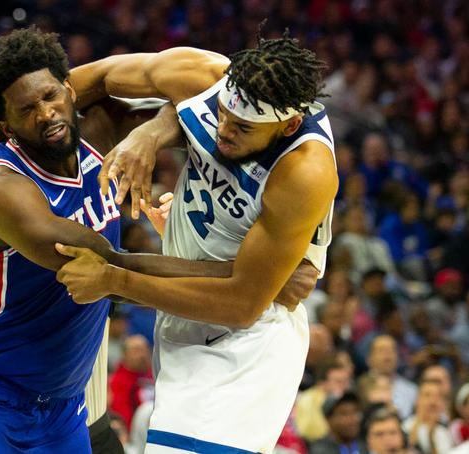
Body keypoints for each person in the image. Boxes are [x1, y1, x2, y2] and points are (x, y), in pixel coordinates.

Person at [0, 27, 317, 454]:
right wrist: (258, 277)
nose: (46, 114)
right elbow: (110, 266)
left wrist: (150, 133)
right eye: (27, 109)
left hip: (62, 407)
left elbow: (191, 109)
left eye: (50, 97)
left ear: (69, 88)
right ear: (6, 123)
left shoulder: (100, 127)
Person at [49, 31, 338, 452]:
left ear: (288, 125)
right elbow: (90, 80)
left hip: (247, 339)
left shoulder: (305, 171)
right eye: (221, 113)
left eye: (242, 128)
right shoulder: (202, 73)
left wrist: (114, 279)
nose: (223, 131)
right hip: (180, 307)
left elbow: (241, 304)